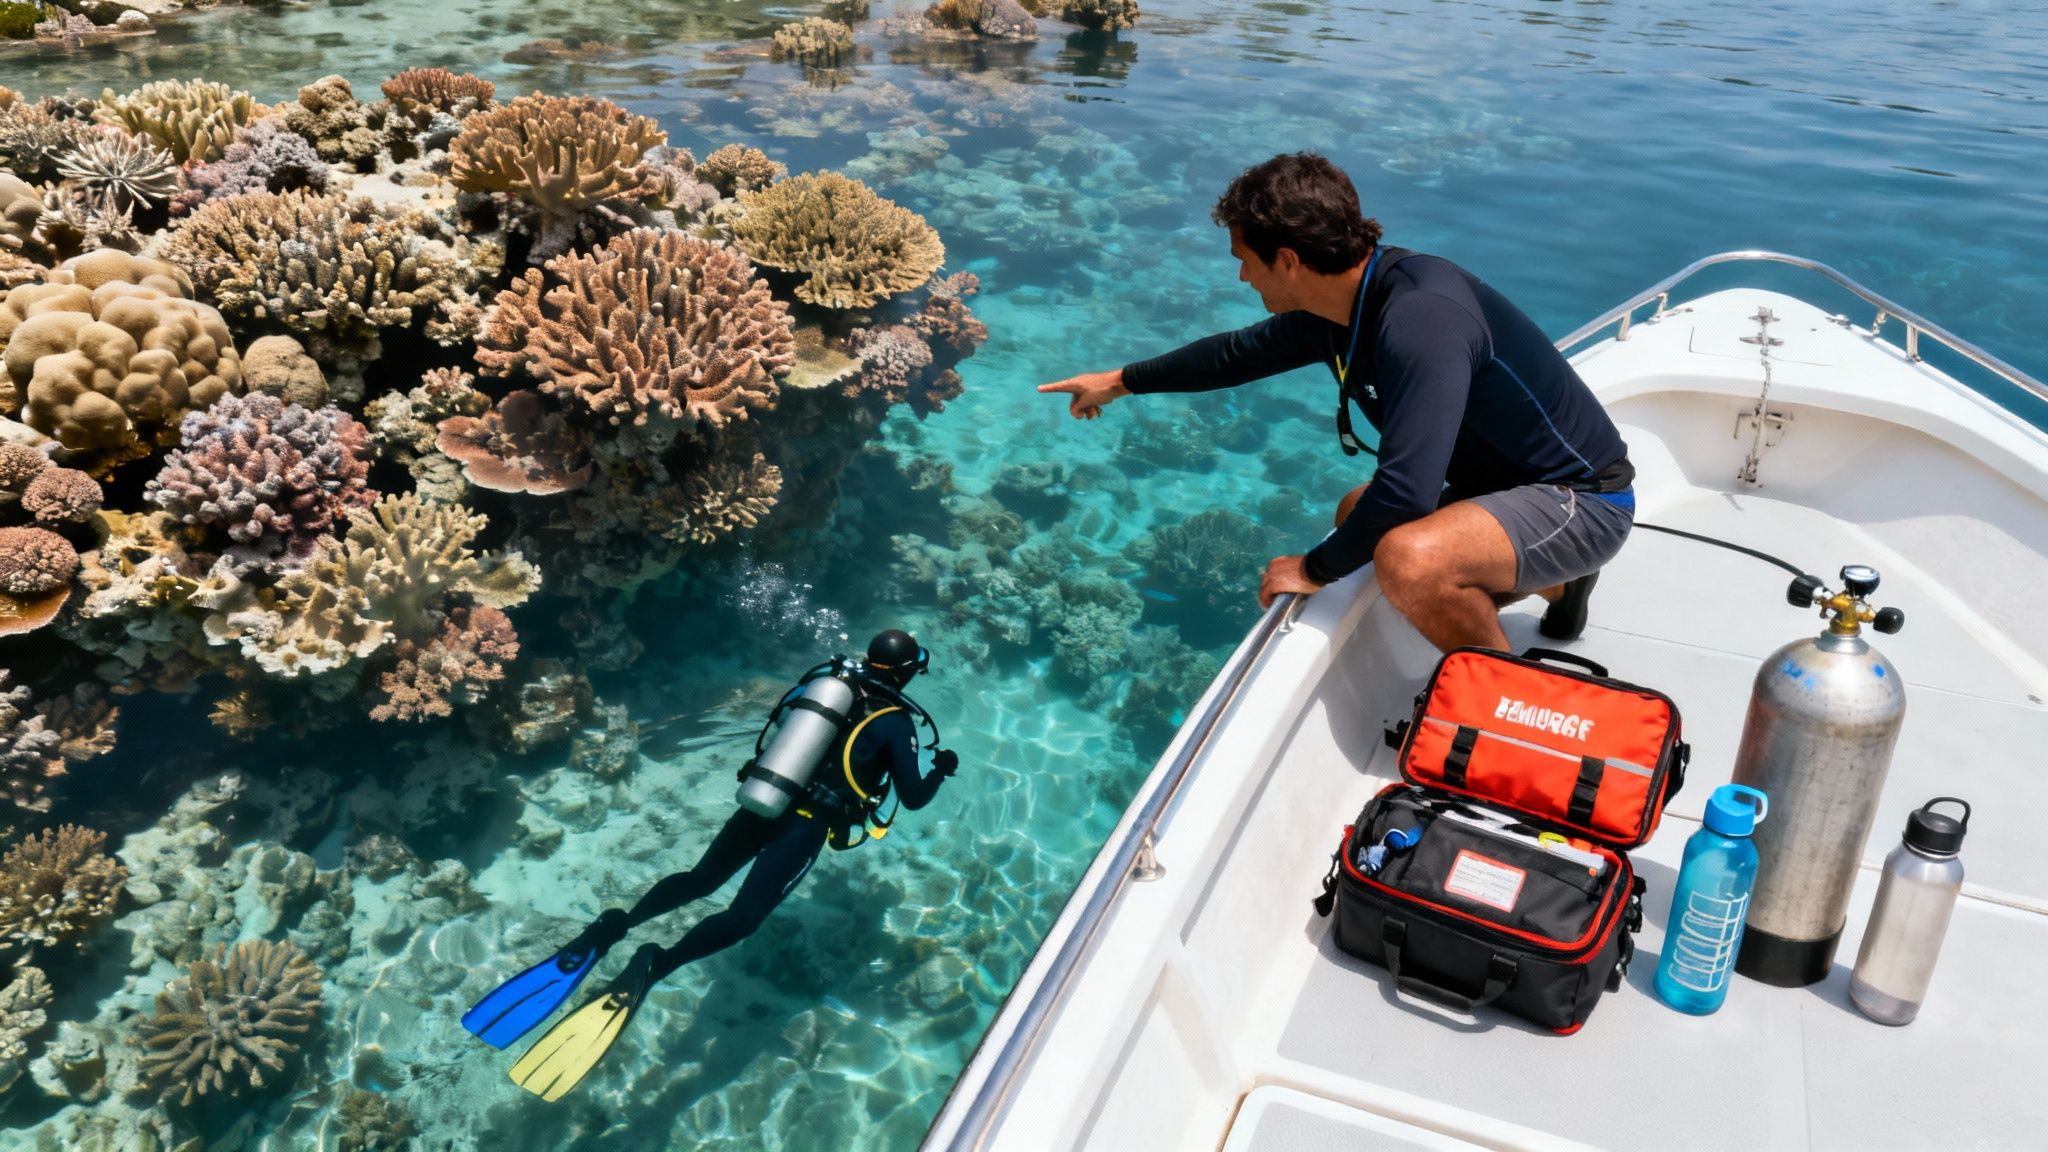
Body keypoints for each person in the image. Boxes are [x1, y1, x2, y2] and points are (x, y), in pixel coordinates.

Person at [1038, 153, 1635, 652]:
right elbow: (1233, 356)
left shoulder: (1420, 319)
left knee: (1408, 559)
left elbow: (1407, 492)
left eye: (1245, 262)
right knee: (1357, 513)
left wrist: (1314, 567)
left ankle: (1502, 705)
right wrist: (1118, 380)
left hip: (1582, 499)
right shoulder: (1346, 304)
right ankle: (1563, 582)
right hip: (1505, 491)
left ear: (1289, 261)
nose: (1243, 279)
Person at [463, 629, 960, 1101]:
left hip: (765, 800)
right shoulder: (895, 722)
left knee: (701, 879)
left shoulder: (832, 688)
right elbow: (912, 799)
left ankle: (617, 924)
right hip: (804, 824)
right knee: (744, 917)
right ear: (907, 672)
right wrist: (939, 769)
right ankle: (660, 962)